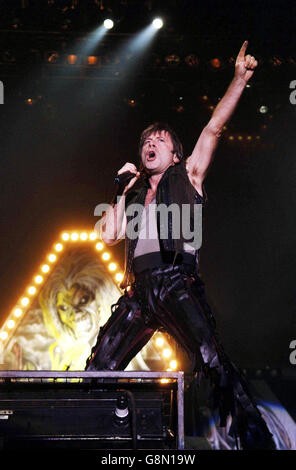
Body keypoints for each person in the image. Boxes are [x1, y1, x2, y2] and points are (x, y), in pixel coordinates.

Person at [86, 42, 275, 449]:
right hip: (140, 291)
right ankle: (100, 433)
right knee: (99, 366)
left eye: (159, 140)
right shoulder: (134, 195)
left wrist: (239, 80)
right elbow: (106, 235)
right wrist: (120, 189)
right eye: (145, 141)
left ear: (173, 153)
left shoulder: (186, 176)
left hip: (176, 279)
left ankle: (255, 436)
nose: (149, 144)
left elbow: (213, 129)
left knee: (209, 355)